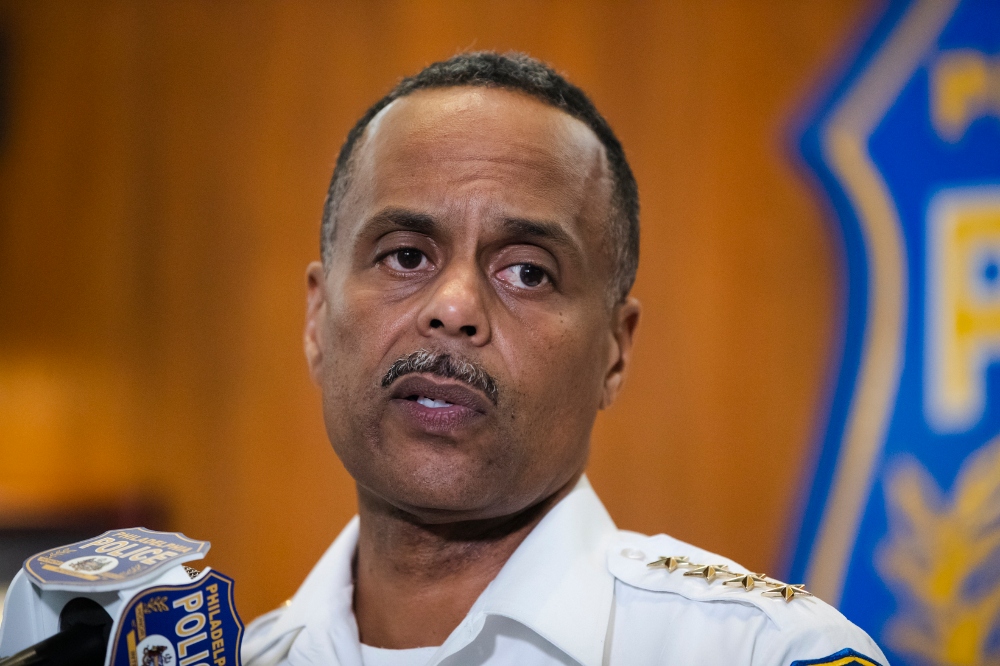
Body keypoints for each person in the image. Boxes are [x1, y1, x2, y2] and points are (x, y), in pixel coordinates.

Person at [241, 52, 887, 666]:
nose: (454, 307)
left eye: (527, 272)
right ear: (317, 319)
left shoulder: (766, 652)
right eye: (406, 256)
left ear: (615, 350)